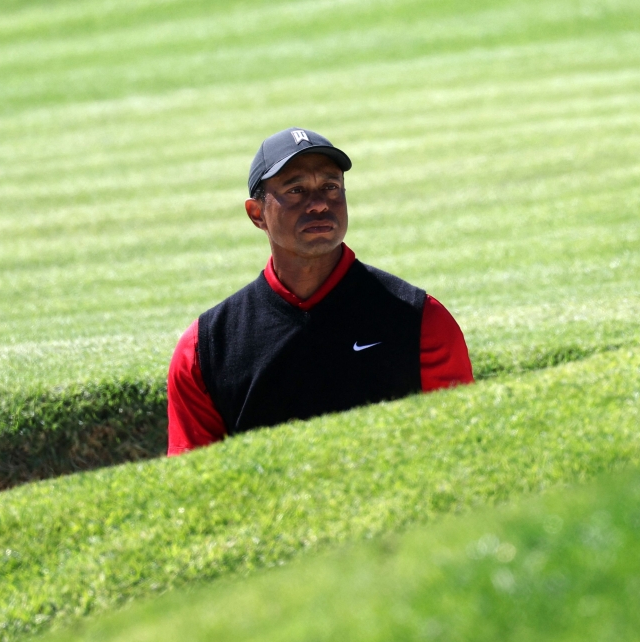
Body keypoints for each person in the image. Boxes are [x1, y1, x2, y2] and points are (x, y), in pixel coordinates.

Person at [166, 127, 474, 456]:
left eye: (330, 187)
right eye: (296, 190)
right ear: (257, 214)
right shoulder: (205, 349)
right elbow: (194, 476)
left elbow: (463, 451)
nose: (318, 204)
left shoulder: (421, 321)